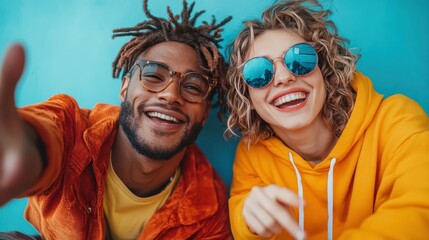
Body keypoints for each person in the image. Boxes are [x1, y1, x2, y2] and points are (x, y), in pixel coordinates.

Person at [0, 0, 233, 239]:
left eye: (193, 87)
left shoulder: (209, 206)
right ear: (124, 89)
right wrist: (29, 150)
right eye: (153, 75)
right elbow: (47, 130)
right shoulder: (73, 128)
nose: (171, 95)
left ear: (204, 114)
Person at [224, 0, 429, 239]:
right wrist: (249, 222)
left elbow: (419, 209)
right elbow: (241, 220)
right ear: (246, 94)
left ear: (326, 68)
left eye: (299, 59)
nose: (283, 77)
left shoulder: (396, 120)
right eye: (258, 72)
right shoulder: (252, 153)